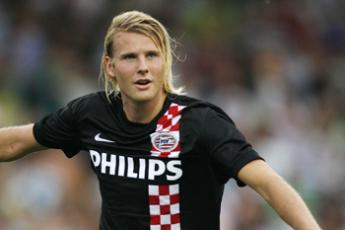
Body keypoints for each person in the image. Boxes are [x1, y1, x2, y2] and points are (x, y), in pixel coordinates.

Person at [0, 10, 321, 230]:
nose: (143, 66)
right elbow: (15, 141)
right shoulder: (90, 114)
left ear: (164, 62)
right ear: (110, 67)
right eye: (130, 57)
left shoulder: (200, 123)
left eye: (151, 55)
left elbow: (268, 184)